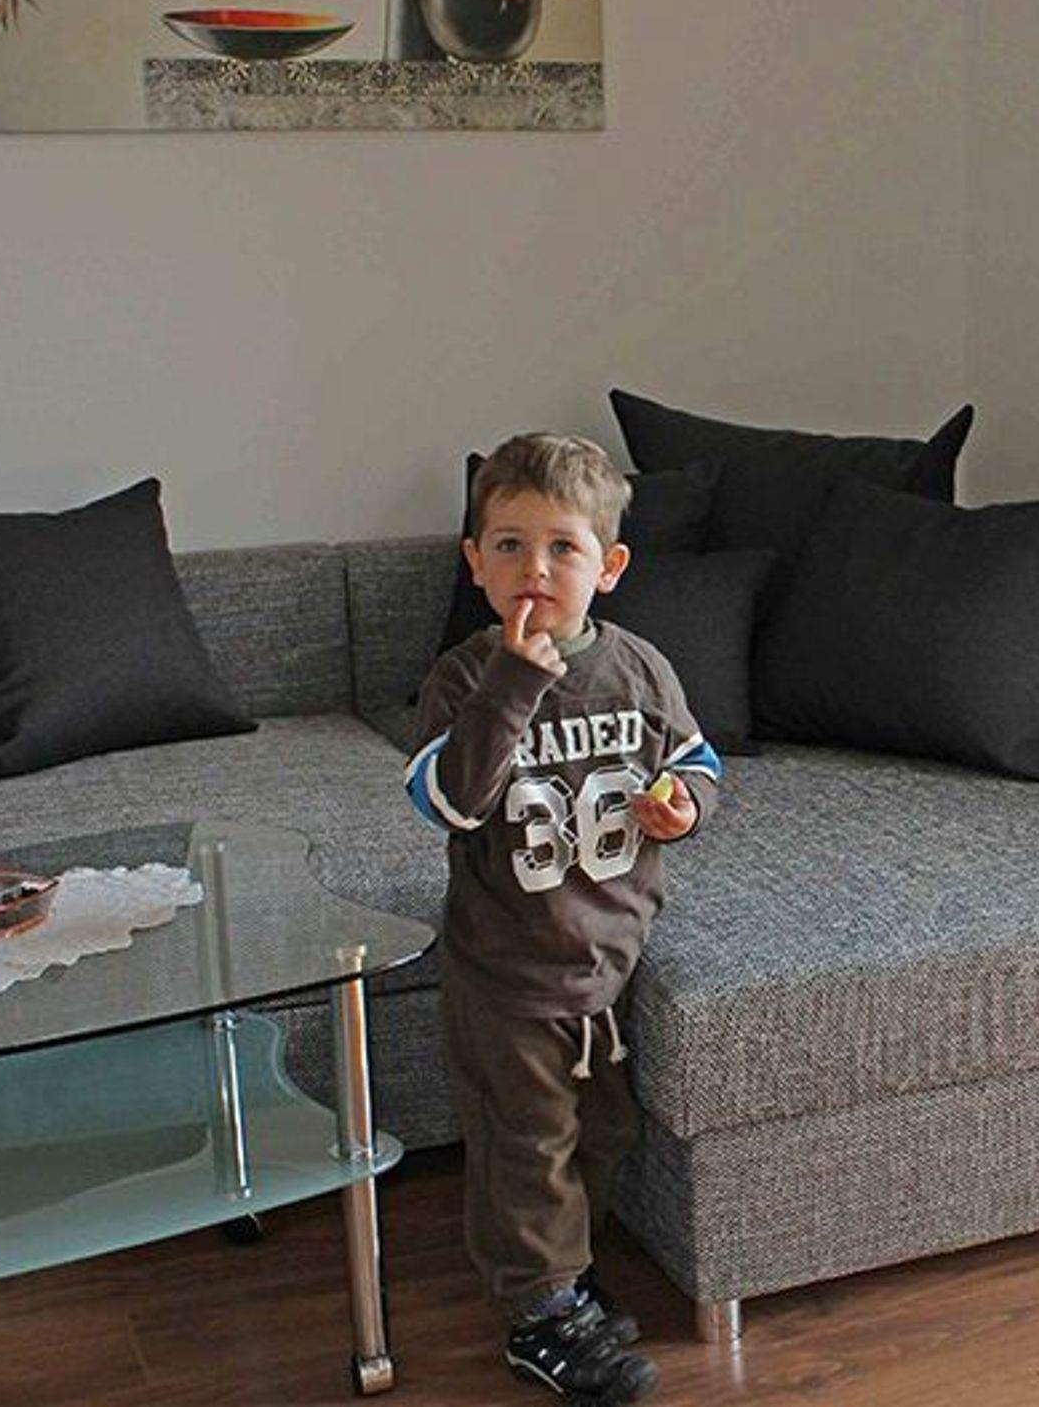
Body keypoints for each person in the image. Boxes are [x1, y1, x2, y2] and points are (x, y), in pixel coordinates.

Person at [404, 433, 720, 1405]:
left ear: (608, 565)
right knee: (526, 1144)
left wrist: (685, 804)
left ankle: (566, 1277)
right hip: (507, 970)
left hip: (608, 955)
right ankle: (539, 1315)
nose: (533, 569)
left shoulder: (639, 669)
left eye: (561, 548)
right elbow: (452, 801)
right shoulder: (465, 677)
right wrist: (514, 680)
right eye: (509, 546)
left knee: (601, 1133)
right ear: (475, 561)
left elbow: (696, 761)